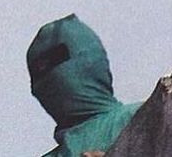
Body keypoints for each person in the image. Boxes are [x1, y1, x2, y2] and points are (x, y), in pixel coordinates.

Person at [27, 14, 142, 157]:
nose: (47, 83)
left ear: (89, 61)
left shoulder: (143, 115)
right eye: (38, 73)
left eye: (56, 62)